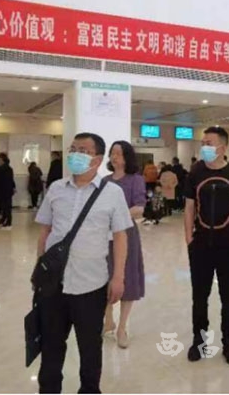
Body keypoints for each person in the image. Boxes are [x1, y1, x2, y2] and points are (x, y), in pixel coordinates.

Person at [35, 132, 132, 394]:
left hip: (91, 285)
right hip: (53, 285)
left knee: (90, 348)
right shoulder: (56, 188)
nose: (75, 154)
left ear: (97, 160)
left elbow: (121, 237)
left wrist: (119, 277)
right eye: (73, 149)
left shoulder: (112, 193)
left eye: (83, 151)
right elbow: (44, 231)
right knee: (51, 347)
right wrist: (39, 270)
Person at [184, 126, 229, 366]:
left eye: (209, 143)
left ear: (223, 147)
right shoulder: (195, 172)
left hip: (228, 245)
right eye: (203, 143)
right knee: (199, 298)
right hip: (201, 245)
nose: (205, 147)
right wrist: (189, 239)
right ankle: (199, 341)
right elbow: (189, 207)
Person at [103, 141, 146, 349]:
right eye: (112, 153)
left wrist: (117, 217)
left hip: (127, 234)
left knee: (127, 278)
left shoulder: (135, 180)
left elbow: (139, 208)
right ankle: (108, 319)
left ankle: (122, 327)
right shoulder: (104, 181)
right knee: (105, 276)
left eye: (118, 154)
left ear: (127, 157)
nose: (114, 157)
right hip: (105, 235)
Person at [0, 153, 16, 230]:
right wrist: (13, 187)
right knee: (5, 206)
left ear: (2, 160)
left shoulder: (2, 169)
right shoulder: (8, 168)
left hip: (4, 189)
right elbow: (11, 179)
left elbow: (3, 180)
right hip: (7, 189)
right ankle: (4, 219)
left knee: (6, 206)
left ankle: (8, 221)